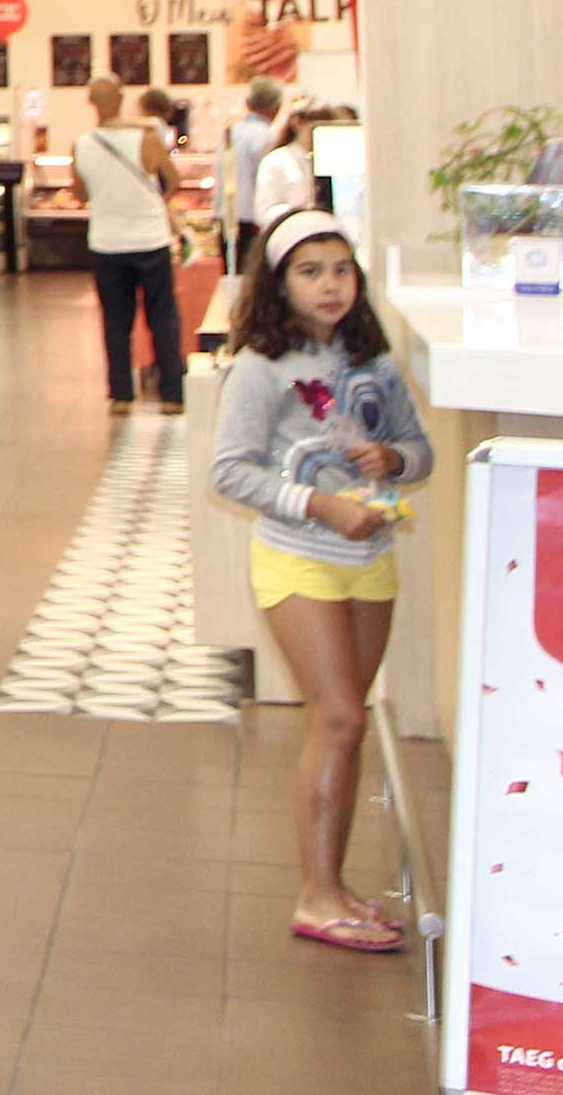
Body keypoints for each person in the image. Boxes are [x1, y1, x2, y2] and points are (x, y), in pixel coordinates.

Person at [209, 209, 432, 954]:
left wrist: (389, 463)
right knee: (335, 718)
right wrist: (319, 504)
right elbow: (229, 470)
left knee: (349, 722)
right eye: (309, 271)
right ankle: (314, 896)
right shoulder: (258, 365)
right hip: (296, 558)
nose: (329, 285)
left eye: (340, 269)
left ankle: (334, 887)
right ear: (277, 284)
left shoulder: (373, 357)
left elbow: (418, 449)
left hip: (370, 560)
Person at [71, 72, 186, 414]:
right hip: (150, 239)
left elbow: (79, 193)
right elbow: (174, 179)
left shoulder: (82, 144)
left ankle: (121, 395)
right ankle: (172, 394)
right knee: (162, 316)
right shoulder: (146, 137)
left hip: (107, 243)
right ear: (122, 99)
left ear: (91, 103)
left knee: (115, 320)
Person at [224, 78, 286, 273]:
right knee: (252, 275)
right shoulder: (268, 135)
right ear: (276, 107)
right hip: (252, 217)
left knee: (232, 273)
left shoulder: (230, 132)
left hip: (227, 213)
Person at [252, 105, 334, 227]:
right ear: (297, 123)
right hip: (290, 231)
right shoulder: (277, 160)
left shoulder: (330, 159)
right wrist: (300, 212)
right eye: (314, 125)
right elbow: (264, 212)